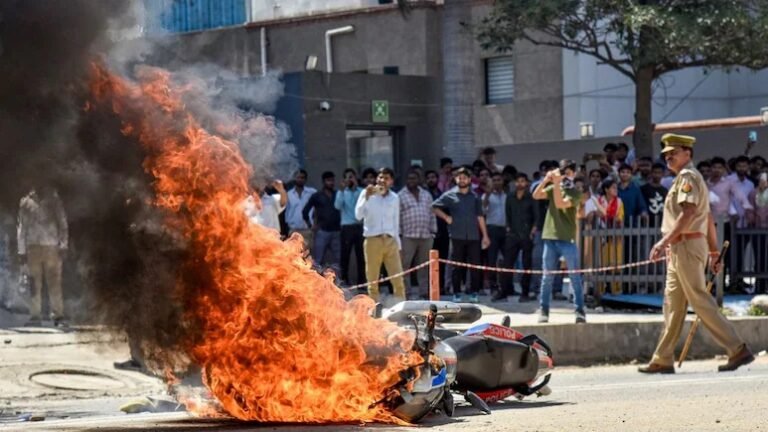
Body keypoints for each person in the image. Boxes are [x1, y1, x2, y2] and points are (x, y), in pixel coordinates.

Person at [639, 133, 754, 374]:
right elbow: (708, 217)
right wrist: (713, 251)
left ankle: (737, 348)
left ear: (687, 153)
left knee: (699, 299)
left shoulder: (688, 176)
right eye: (666, 154)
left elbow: (689, 213)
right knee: (673, 304)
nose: (668, 157)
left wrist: (664, 242)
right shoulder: (684, 178)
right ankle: (663, 358)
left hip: (687, 245)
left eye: (674, 153)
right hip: (682, 246)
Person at [532, 159, 586, 323]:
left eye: (569, 172)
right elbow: (536, 195)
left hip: (567, 239)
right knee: (547, 276)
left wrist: (555, 183)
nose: (566, 175)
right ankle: (544, 310)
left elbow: (560, 203)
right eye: (563, 171)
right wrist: (546, 180)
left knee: (574, 276)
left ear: (574, 174)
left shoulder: (575, 193)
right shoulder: (554, 186)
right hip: (550, 237)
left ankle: (579, 311)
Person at [433, 167, 491, 303]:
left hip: (473, 235)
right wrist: (446, 217)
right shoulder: (449, 195)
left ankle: (474, 292)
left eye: (465, 177)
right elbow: (434, 206)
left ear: (469, 180)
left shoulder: (474, 196)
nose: (462, 180)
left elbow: (480, 216)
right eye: (459, 177)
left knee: (475, 265)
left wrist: (485, 236)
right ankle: (457, 293)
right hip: (456, 235)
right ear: (455, 179)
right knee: (456, 266)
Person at [17, 185, 69, 327]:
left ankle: (58, 316)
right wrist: (21, 251)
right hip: (33, 247)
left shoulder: (54, 200)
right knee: (34, 283)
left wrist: (63, 245)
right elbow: (22, 227)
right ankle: (35, 316)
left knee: (54, 283)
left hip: (52, 247)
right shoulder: (26, 202)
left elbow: (63, 223)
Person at [355, 167, 405, 302]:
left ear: (392, 182)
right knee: (372, 279)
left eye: (386, 178)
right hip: (373, 240)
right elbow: (358, 215)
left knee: (397, 277)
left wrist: (398, 246)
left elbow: (396, 223)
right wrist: (366, 197)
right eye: (380, 177)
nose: (382, 180)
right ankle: (374, 308)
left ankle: (401, 306)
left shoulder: (394, 198)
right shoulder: (366, 193)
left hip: (390, 240)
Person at [494, 172, 537, 302]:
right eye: (518, 181)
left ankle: (525, 293)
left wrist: (532, 231)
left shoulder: (532, 197)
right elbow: (508, 215)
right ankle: (503, 292)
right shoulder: (510, 197)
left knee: (526, 265)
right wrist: (508, 229)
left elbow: (537, 217)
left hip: (526, 235)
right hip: (512, 235)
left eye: (523, 181)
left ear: (527, 183)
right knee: (507, 264)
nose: (520, 183)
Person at [398, 170, 436, 299]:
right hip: (408, 236)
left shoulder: (426, 195)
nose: (411, 181)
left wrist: (433, 231)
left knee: (424, 266)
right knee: (405, 266)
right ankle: (406, 293)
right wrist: (399, 235)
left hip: (425, 235)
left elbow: (432, 213)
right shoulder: (400, 195)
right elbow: (396, 216)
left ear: (419, 180)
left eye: (414, 178)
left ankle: (424, 292)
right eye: (409, 178)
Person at [303, 172, 341, 274]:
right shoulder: (317, 196)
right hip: (322, 232)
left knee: (337, 260)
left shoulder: (338, 194)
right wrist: (311, 226)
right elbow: (305, 211)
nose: (331, 183)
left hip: (336, 231)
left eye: (332, 180)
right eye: (329, 180)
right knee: (317, 260)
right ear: (324, 182)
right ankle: (317, 282)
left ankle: (337, 283)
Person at [593, 177, 624, 295]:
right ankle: (600, 290)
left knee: (616, 264)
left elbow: (621, 217)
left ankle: (616, 290)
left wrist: (616, 220)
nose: (616, 190)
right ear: (606, 189)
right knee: (601, 264)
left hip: (616, 236)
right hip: (601, 235)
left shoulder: (619, 201)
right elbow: (596, 215)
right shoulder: (599, 201)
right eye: (613, 188)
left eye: (616, 188)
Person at [335, 168, 365, 286]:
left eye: (352, 176)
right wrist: (342, 191)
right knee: (345, 255)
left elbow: (363, 205)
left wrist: (356, 188)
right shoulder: (342, 192)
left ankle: (362, 281)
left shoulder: (361, 191)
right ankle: (344, 281)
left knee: (361, 256)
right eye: (347, 177)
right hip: (347, 227)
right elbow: (337, 206)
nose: (350, 179)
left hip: (359, 226)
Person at [483, 172, 507, 294]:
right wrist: (487, 194)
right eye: (494, 180)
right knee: (491, 259)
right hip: (491, 229)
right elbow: (483, 210)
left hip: (504, 229)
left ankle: (506, 286)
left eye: (499, 180)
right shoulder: (486, 196)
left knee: (507, 259)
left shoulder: (507, 196)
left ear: (502, 181)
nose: (497, 182)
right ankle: (493, 286)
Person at [425, 169, 450, 291]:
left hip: (443, 232)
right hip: (430, 232)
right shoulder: (424, 195)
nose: (431, 180)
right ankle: (431, 288)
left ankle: (441, 287)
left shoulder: (442, 195)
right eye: (429, 177)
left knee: (442, 261)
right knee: (429, 262)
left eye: (433, 177)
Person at [285, 169, 316, 252]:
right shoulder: (289, 194)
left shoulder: (312, 192)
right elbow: (286, 210)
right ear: (294, 179)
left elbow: (317, 209)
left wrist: (315, 224)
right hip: (293, 230)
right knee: (293, 255)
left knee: (307, 256)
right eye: (298, 177)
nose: (300, 179)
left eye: (302, 178)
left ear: (305, 179)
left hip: (307, 230)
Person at [641, 163, 668, 228]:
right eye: (655, 172)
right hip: (646, 224)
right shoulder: (643, 189)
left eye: (659, 173)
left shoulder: (665, 191)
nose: (657, 175)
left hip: (661, 224)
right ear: (651, 173)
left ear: (663, 174)